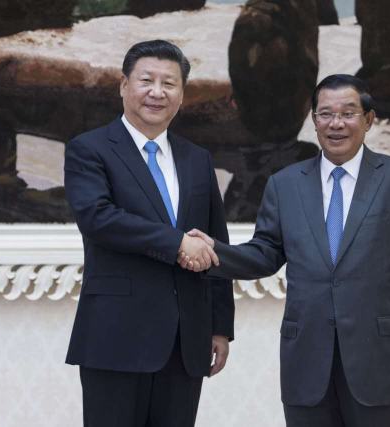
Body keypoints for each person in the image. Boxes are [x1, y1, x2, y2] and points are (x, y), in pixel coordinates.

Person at [181, 74, 390, 427]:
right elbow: (265, 253)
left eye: (348, 113)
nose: (336, 123)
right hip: (306, 358)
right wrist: (215, 252)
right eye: (326, 114)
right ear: (314, 121)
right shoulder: (284, 184)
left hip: (380, 358)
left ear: (368, 120)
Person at [64, 39, 234, 427]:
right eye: (146, 80)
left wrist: (220, 326)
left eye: (169, 83)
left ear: (182, 95)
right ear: (124, 86)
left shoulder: (197, 158)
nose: (157, 92)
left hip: (186, 341)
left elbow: (215, 242)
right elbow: (98, 217)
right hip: (116, 335)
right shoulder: (89, 149)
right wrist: (177, 242)